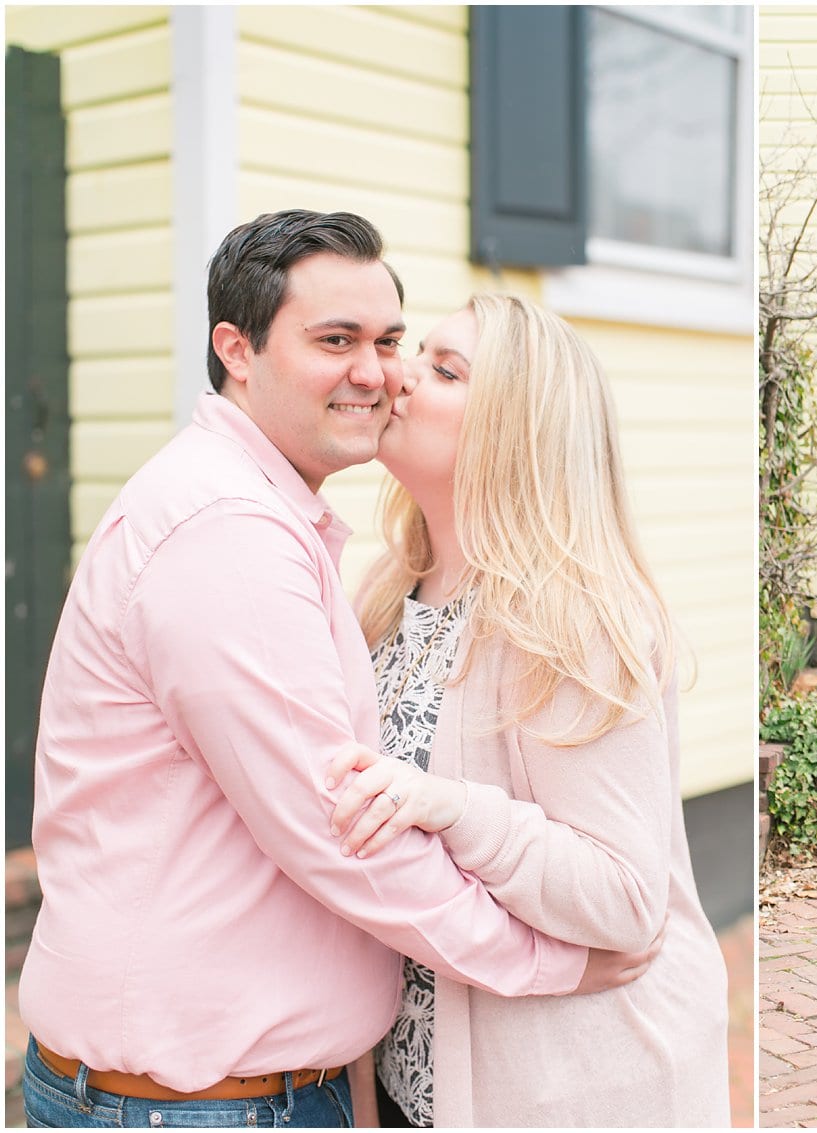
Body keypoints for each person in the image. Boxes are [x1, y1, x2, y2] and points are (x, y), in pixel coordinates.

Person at [18, 211, 648, 1129]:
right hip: (189, 1107)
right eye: (336, 340)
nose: (377, 372)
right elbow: (340, 834)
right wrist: (551, 961)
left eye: (391, 342)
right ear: (237, 349)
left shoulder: (279, 528)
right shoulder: (227, 534)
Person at [320, 292, 731, 1127]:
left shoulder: (569, 620)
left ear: (515, 427)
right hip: (418, 1084)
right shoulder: (385, 593)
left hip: (572, 1088)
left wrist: (453, 808)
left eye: (443, 369)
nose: (397, 376)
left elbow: (623, 900)